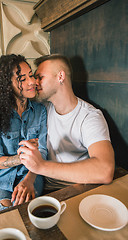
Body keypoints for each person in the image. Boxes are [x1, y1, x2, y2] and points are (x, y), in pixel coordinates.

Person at [17, 54, 115, 191]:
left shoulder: (90, 116)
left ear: (60, 77)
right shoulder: (42, 109)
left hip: (76, 190)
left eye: (40, 77)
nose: (35, 82)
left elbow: (105, 171)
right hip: (43, 187)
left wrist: (42, 166)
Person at [0, 54, 47, 213]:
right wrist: (24, 156)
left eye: (31, 75)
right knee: (8, 216)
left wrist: (29, 180)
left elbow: (42, 151)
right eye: (22, 79)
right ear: (7, 86)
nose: (32, 82)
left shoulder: (40, 111)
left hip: (32, 175)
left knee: (27, 213)